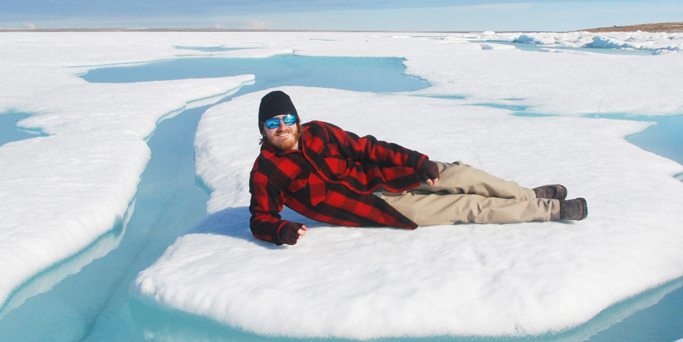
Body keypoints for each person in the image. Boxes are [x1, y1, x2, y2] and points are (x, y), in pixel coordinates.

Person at [249, 91, 588, 246]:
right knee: (466, 205)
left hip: (390, 175)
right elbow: (261, 218)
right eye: (273, 122)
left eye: (288, 118)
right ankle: (552, 210)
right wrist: (280, 232)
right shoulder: (266, 171)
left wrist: (415, 160)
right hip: (379, 206)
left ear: (297, 118)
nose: (283, 127)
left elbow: (367, 147)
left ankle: (527, 194)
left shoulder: (319, 131)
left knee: (464, 174)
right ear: (263, 129)